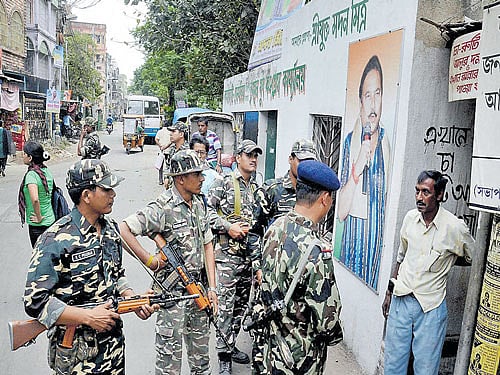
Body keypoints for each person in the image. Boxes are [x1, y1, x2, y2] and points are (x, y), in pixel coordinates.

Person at [24, 159, 157, 375]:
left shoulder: (111, 230)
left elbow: (115, 274)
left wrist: (132, 298)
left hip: (113, 350)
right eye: (106, 189)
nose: (113, 194)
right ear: (86, 195)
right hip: (76, 354)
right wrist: (87, 317)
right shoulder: (55, 239)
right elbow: (35, 301)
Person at [119, 150, 218, 375]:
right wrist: (150, 260)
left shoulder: (199, 203)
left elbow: (208, 244)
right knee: (169, 366)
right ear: (180, 178)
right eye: (196, 174)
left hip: (198, 292)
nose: (202, 178)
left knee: (201, 362)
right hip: (172, 298)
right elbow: (124, 229)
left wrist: (212, 287)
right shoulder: (163, 207)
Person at [382, 170, 474, 375]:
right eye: (417, 191)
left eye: (425, 192)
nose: (419, 198)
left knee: (425, 369)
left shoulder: (454, 227)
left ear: (439, 195)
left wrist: (448, 260)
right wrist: (390, 291)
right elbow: (401, 256)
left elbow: (472, 257)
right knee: (393, 365)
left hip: (431, 307)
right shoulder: (409, 219)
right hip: (401, 300)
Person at [259, 159, 343, 374]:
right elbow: (326, 322)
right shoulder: (316, 251)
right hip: (298, 358)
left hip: (271, 349)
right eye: (331, 198)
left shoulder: (275, 227)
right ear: (325, 199)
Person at [207, 139, 263, 374]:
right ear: (238, 157)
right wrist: (228, 227)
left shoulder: (256, 187)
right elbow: (205, 212)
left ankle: (231, 345)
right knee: (226, 307)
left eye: (256, 155)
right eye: (248, 155)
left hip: (247, 258)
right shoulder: (224, 182)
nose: (253, 159)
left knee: (241, 306)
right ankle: (223, 356)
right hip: (227, 257)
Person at [337, 55, 391, 290]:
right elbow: (340, 213)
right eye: (367, 95)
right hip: (355, 240)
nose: (372, 104)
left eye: (377, 94)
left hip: (377, 243)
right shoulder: (351, 142)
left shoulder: (388, 142)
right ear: (360, 103)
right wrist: (358, 167)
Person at [18, 141, 55, 247]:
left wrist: (38, 217)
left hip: (38, 225)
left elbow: (35, 199)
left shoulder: (32, 175)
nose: (22, 156)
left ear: (30, 158)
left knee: (39, 258)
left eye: (24, 153)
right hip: (50, 220)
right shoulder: (46, 171)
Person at [163, 121, 189, 187]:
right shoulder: (172, 149)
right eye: (171, 132)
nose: (170, 134)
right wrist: (166, 177)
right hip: (172, 185)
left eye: (174, 131)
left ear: (181, 134)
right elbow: (168, 165)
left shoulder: (187, 151)